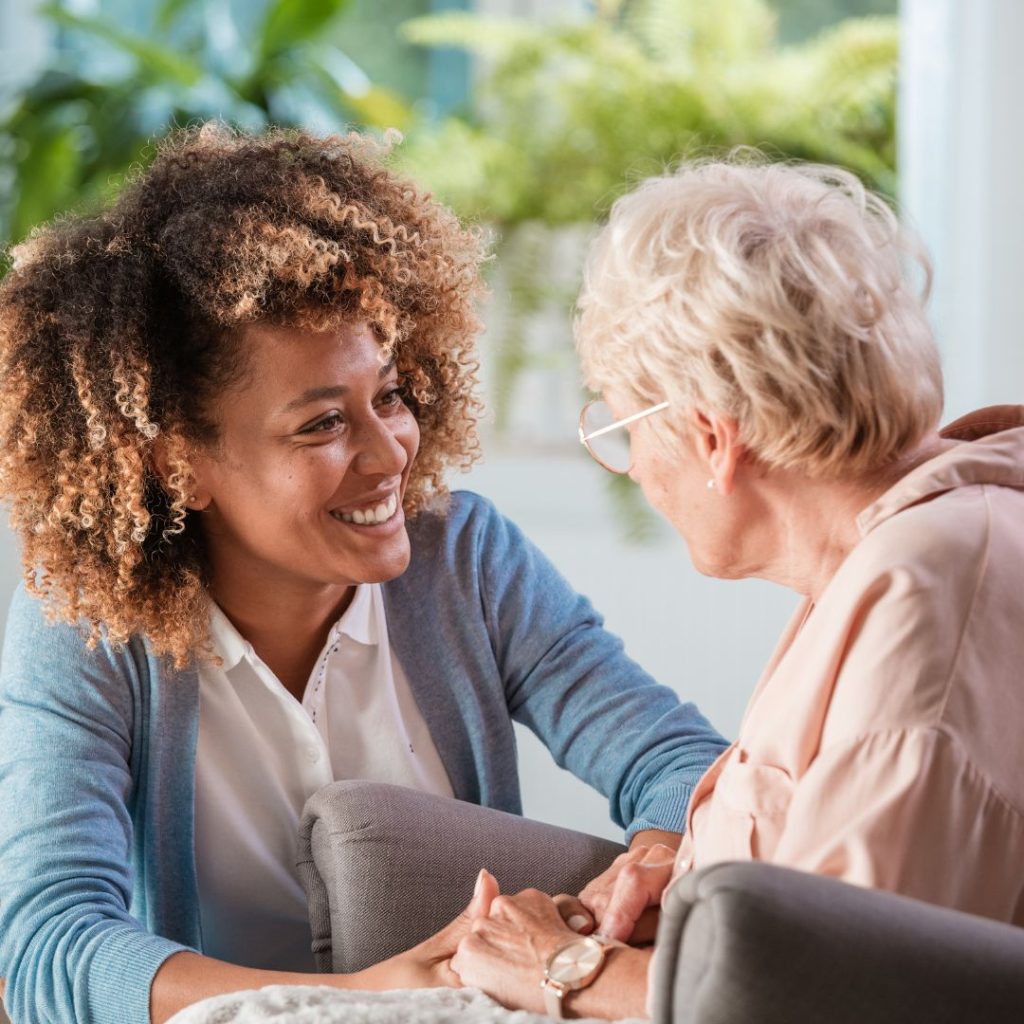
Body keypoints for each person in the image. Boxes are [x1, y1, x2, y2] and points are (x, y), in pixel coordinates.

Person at [0, 125, 728, 1024]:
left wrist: (647, 869)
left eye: (388, 395)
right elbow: (51, 944)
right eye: (321, 425)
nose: (391, 454)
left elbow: (679, 761)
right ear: (177, 463)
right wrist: (350, 1003)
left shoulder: (466, 558)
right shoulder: (84, 625)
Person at [449, 157, 1024, 1019]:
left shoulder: (925, 594)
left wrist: (566, 968)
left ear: (712, 437)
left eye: (623, 425)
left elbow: (833, 994)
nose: (635, 468)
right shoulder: (902, 555)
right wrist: (689, 881)